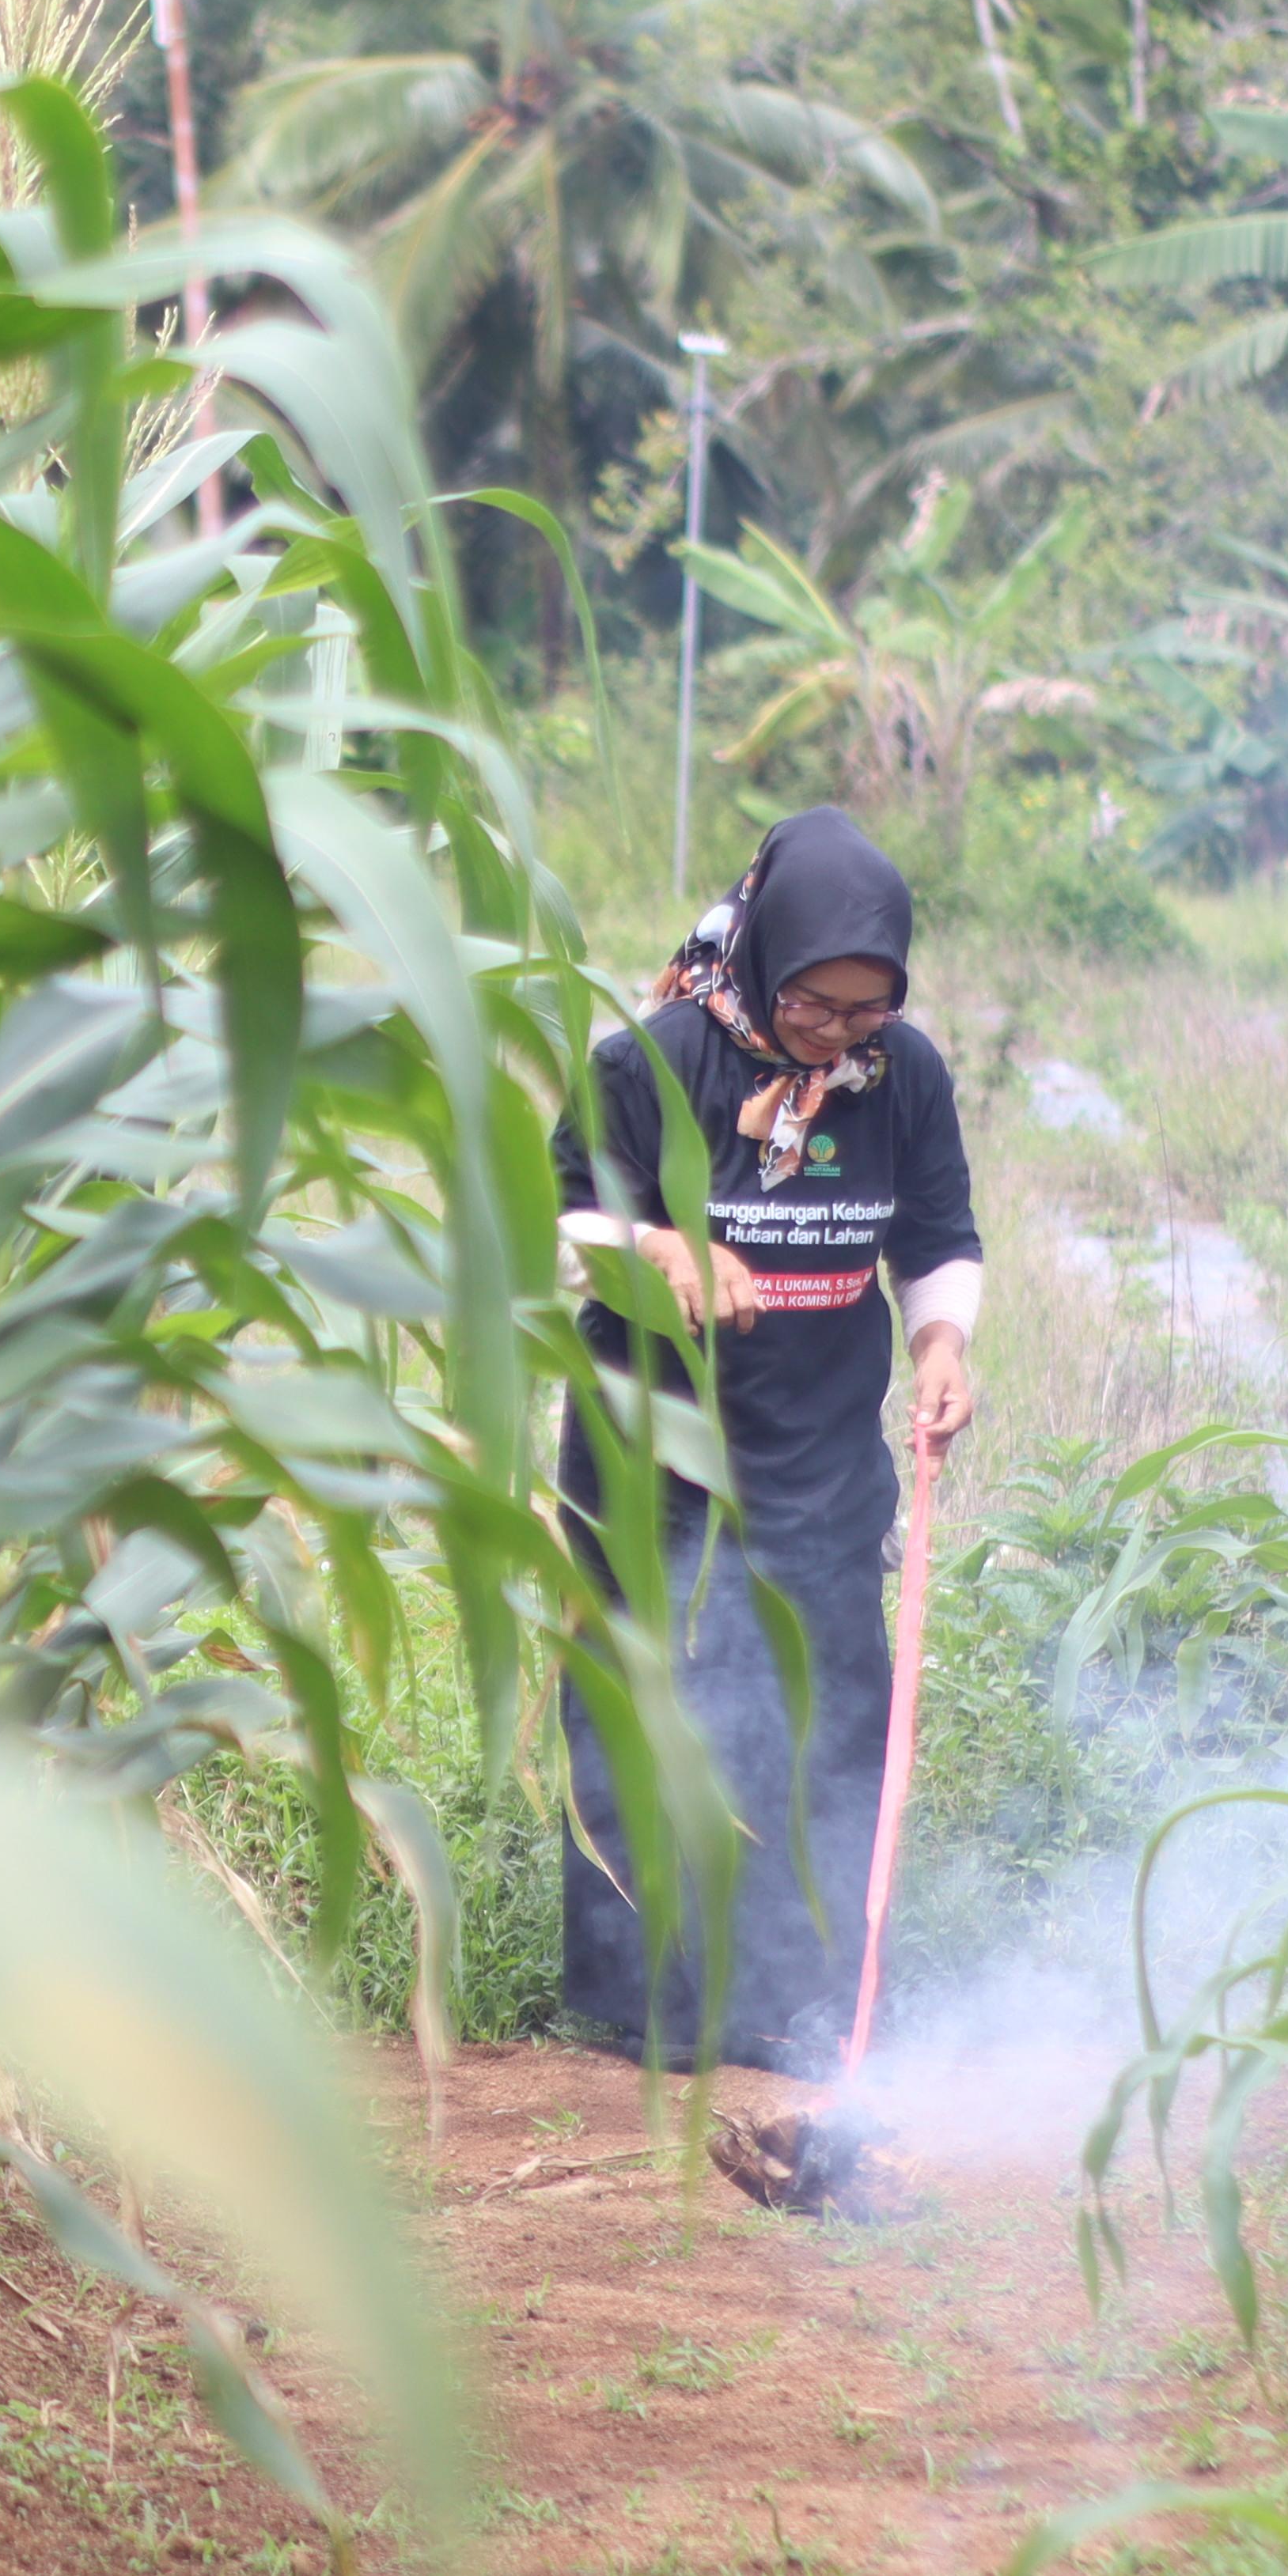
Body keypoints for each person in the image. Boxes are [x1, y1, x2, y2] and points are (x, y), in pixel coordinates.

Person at [542, 808, 983, 2075]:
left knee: (824, 1704)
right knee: (636, 1689)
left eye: (866, 1013)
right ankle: (646, 1997)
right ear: (766, 960)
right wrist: (667, 1249)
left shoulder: (907, 1081)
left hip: (820, 1450)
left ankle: (806, 1995)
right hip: (649, 1442)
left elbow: (938, 1235)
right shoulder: (652, 1063)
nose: (839, 1035)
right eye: (815, 1008)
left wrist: (944, 1344)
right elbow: (559, 1225)